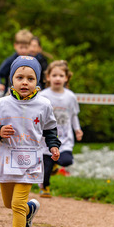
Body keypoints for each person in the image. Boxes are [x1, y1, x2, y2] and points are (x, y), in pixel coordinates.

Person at [0, 56, 60, 227]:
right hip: (6, 160)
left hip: (30, 161)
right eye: (20, 78)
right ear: (12, 80)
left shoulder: (44, 104)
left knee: (17, 203)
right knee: (9, 203)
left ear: (37, 81)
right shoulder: (1, 104)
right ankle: (30, 209)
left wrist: (53, 145)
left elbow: (50, 128)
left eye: (30, 78)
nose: (25, 82)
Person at [39, 60, 83, 198]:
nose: (57, 78)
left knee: (66, 161)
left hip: (65, 139)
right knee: (46, 168)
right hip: (46, 140)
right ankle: (45, 187)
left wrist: (77, 129)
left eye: (61, 75)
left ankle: (55, 164)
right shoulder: (43, 96)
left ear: (66, 78)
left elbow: (73, 115)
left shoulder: (70, 97)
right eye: (54, 75)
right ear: (48, 77)